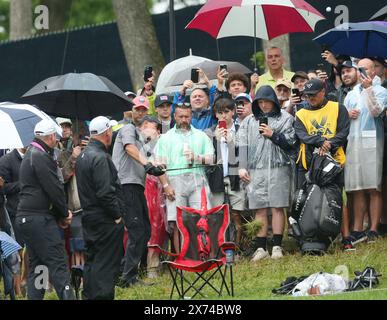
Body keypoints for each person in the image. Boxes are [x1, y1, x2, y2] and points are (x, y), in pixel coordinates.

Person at [16, 119, 74, 300]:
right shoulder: (40, 156)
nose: (56, 140)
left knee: (39, 266)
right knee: (59, 264)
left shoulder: (31, 153)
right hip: (38, 219)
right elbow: (54, 189)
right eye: (55, 137)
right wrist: (64, 214)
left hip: (27, 219)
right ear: (50, 137)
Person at [237, 85, 296, 261]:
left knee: (278, 206)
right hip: (256, 170)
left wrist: (273, 135)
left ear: (274, 101)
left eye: (267, 102)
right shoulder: (248, 121)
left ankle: (277, 245)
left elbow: (292, 142)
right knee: (259, 207)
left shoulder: (286, 118)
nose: (264, 105)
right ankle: (261, 247)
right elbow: (241, 144)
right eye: (260, 102)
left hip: (279, 167)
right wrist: (241, 167)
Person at [112, 114, 165, 287]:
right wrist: (148, 165)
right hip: (126, 185)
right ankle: (127, 278)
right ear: (145, 124)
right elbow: (129, 148)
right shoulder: (129, 128)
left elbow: (149, 160)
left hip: (136, 187)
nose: (156, 132)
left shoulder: (144, 143)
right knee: (136, 231)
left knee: (145, 231)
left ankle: (125, 272)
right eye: (154, 127)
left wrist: (156, 166)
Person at [75, 116, 125, 300]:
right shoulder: (101, 157)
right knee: (106, 264)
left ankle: (88, 296)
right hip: (105, 219)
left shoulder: (82, 155)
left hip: (89, 217)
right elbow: (105, 193)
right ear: (107, 133)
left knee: (93, 261)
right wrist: (117, 215)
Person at [155, 103, 215, 252]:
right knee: (176, 221)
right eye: (180, 116)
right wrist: (166, 185)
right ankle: (182, 258)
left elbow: (211, 159)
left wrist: (196, 157)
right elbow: (159, 165)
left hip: (197, 178)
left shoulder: (201, 136)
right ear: (175, 117)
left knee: (201, 217)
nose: (183, 119)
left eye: (187, 117)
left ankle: (202, 254)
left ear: (191, 117)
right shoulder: (165, 138)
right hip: (174, 181)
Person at [343, 58, 387, 245]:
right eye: (358, 68)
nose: (361, 72)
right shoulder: (351, 93)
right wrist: (348, 114)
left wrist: (369, 90)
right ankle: (357, 229)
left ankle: (374, 229)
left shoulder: (381, 90)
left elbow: (377, 111)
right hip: (354, 142)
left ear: (373, 71)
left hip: (373, 141)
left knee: (373, 186)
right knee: (357, 187)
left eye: (364, 69)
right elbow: (342, 118)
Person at [205, 97, 246, 251]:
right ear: (215, 114)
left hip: (236, 176)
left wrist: (230, 141)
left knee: (237, 214)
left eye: (227, 112)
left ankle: (238, 248)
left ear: (233, 112)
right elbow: (209, 158)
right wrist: (215, 140)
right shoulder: (209, 133)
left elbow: (244, 154)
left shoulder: (241, 129)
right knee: (217, 214)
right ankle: (218, 248)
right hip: (216, 177)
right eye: (220, 112)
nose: (223, 116)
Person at [294, 78, 350, 189]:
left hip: (334, 160)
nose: (310, 98)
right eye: (307, 95)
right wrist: (320, 142)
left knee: (334, 200)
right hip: (308, 161)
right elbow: (302, 135)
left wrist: (329, 144)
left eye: (313, 94)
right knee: (306, 202)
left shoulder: (338, 108)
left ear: (323, 91)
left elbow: (343, 132)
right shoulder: (300, 114)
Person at [0, 147, 27, 295]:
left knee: (26, 252)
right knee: (15, 252)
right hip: (11, 212)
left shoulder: (34, 157)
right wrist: (23, 183)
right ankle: (14, 288)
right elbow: (3, 188)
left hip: (28, 210)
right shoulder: (6, 160)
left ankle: (22, 285)